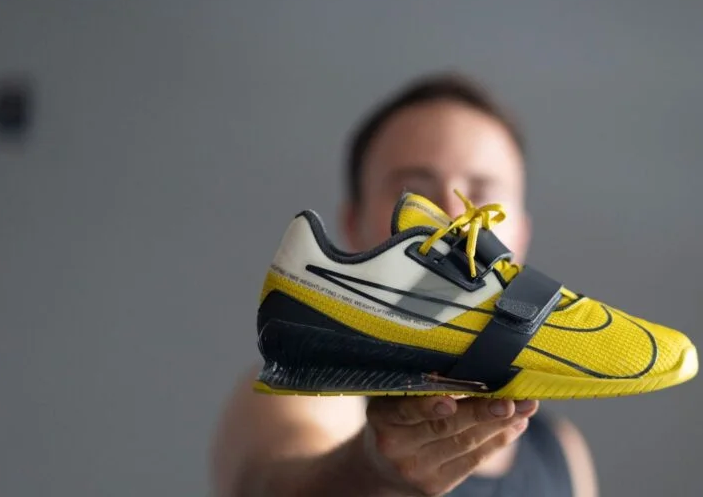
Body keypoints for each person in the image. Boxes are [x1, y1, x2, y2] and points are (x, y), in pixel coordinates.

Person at [211, 72, 598, 497]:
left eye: (481, 195)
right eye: (414, 193)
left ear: (519, 236)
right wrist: (369, 473)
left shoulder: (559, 448)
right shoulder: (299, 397)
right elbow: (270, 483)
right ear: (353, 225)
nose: (452, 220)